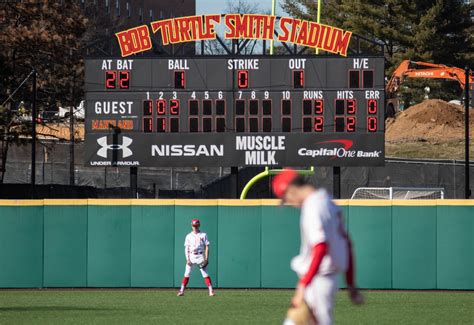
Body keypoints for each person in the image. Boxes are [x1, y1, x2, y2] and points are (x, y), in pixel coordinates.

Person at [272, 169, 363, 325]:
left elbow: (320, 247)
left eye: (286, 197)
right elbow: (347, 244)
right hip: (322, 280)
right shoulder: (327, 201)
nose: (289, 202)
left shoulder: (313, 207)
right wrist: (350, 284)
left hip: (318, 282)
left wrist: (303, 284)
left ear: (292, 189)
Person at [177, 218, 215, 297]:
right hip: (191, 256)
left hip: (200, 256)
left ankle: (211, 291)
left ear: (199, 225)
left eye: (196, 225)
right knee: (186, 274)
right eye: (194, 226)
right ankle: (181, 291)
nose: (195, 227)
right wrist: (187, 259)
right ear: (192, 226)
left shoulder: (203, 234)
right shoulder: (188, 236)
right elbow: (186, 248)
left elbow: (207, 247)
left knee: (205, 274)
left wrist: (206, 258)